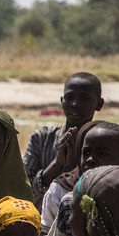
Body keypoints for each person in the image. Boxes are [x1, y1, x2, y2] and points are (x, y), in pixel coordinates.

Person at [24, 72, 104, 206]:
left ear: (99, 104)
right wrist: (57, 163)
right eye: (69, 97)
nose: (75, 104)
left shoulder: (104, 143)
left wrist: (75, 165)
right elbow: (23, 190)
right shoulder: (42, 138)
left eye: (84, 98)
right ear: (61, 101)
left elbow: (101, 193)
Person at [39, 121, 119, 233]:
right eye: (86, 153)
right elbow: (46, 235)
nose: (90, 159)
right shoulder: (66, 199)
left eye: (102, 154)